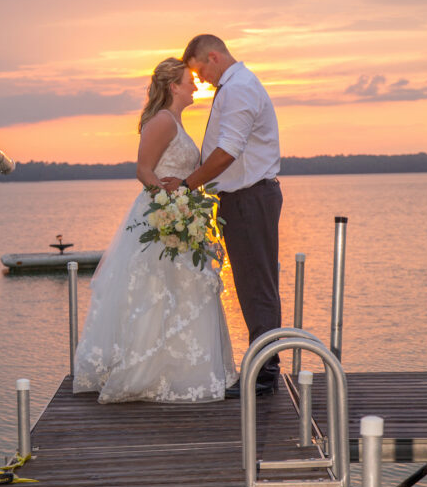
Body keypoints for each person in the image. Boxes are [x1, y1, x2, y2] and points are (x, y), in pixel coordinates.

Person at [73, 57, 237, 403]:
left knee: (181, 293)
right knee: (155, 293)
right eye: (189, 80)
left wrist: (184, 207)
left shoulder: (176, 121)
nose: (195, 85)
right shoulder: (162, 121)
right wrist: (170, 206)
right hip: (162, 218)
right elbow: (143, 170)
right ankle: (146, 371)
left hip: (180, 216)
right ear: (173, 86)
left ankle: (176, 371)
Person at [163, 35, 282, 397]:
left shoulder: (239, 88)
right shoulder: (234, 86)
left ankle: (264, 374)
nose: (200, 80)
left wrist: (188, 184)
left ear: (213, 57)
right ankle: (263, 367)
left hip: (250, 198)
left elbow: (228, 150)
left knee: (256, 285)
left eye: (200, 71)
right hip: (244, 199)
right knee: (252, 284)